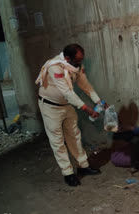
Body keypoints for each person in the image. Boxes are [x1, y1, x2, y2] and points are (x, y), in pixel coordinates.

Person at [35, 44, 106, 186]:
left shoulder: (75, 66)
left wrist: (99, 102)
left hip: (66, 105)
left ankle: (83, 166)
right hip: (50, 106)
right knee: (57, 141)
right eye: (77, 61)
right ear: (67, 58)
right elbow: (67, 92)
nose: (80, 64)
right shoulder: (55, 66)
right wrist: (87, 109)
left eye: (81, 60)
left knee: (75, 135)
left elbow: (86, 86)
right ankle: (67, 173)